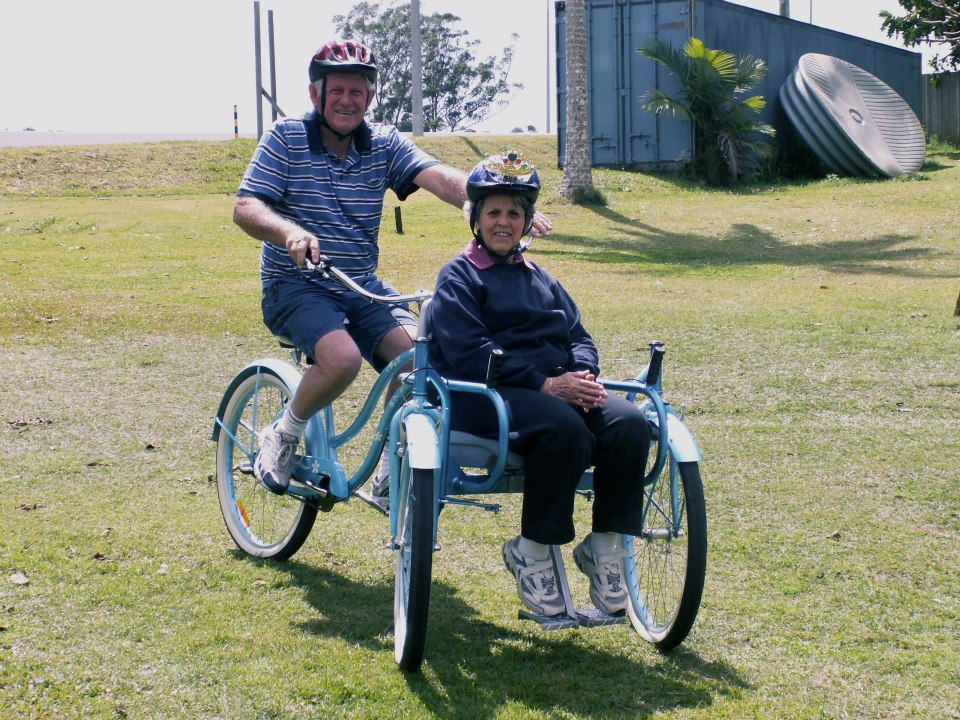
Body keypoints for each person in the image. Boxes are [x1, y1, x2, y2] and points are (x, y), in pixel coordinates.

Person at [233, 40, 551, 501]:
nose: (347, 100)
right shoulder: (285, 138)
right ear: (315, 94)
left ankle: (391, 465)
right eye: (337, 89)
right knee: (341, 360)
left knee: (417, 361)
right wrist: (289, 234)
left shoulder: (382, 142)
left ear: (371, 97)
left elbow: (436, 175)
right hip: (295, 284)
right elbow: (245, 207)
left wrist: (495, 197)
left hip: (361, 287)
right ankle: (282, 434)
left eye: (357, 91)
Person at [426, 153, 651, 617]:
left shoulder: (542, 279)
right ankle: (531, 550)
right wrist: (545, 384)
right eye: (494, 212)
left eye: (514, 213)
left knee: (630, 423)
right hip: (488, 395)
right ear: (476, 219)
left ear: (528, 220)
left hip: (556, 390)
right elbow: (471, 353)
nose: (504, 222)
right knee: (564, 430)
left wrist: (583, 375)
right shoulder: (459, 277)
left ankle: (605, 546)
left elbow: (578, 336)